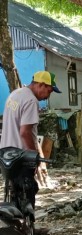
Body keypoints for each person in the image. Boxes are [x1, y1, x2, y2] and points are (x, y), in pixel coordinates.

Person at [0, 70, 61, 207]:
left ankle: (16, 226)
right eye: (49, 91)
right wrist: (33, 157)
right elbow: (25, 132)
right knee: (27, 191)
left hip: (6, 153)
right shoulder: (31, 101)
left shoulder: (15, 94)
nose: (48, 96)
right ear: (41, 85)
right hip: (21, 154)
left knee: (13, 191)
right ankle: (28, 228)